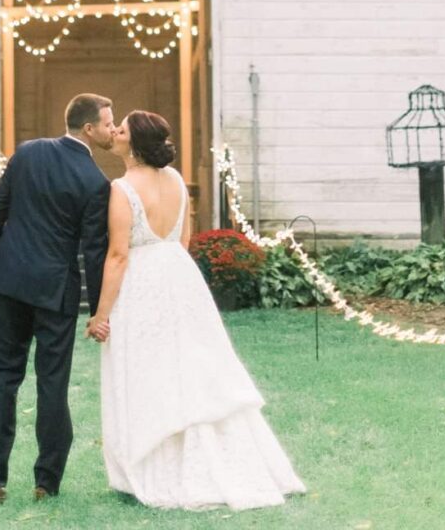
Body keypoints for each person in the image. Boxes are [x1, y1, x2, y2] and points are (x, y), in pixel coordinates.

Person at [86, 110, 306, 511]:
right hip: (180, 278)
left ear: (133, 143)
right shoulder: (176, 183)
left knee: (147, 370)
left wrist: (101, 314)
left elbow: (117, 255)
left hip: (141, 281)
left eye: (121, 129)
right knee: (193, 368)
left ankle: (158, 468)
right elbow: (183, 240)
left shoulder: (121, 189)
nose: (114, 132)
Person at [0, 92, 114, 506]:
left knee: (2, 378)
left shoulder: (28, 152)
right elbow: (93, 251)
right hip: (55, 293)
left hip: (9, 281)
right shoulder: (95, 182)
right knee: (52, 384)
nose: (112, 128)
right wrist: (99, 307)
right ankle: (46, 481)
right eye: (108, 122)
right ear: (88, 128)